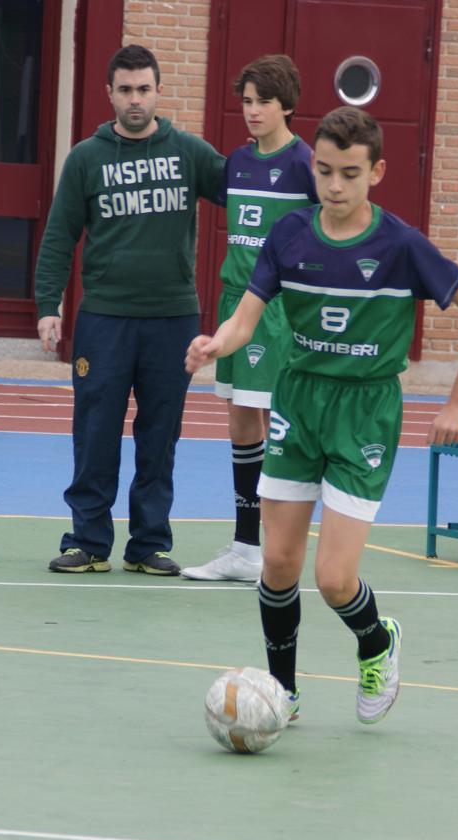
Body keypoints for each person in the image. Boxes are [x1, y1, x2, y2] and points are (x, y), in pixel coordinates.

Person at [185, 107, 458, 723]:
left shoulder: (400, 245)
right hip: (298, 399)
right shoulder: (290, 236)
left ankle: (377, 642)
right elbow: (246, 317)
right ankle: (285, 692)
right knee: (276, 562)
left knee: (332, 578)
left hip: (365, 412)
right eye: (324, 171)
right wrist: (217, 343)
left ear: (376, 172)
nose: (334, 186)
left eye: (349, 174)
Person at [35, 44, 225, 576]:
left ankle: (149, 545)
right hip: (105, 319)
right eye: (125, 90)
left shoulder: (189, 152)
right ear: (110, 94)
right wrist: (49, 304)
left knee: (160, 435)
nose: (135, 99)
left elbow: (245, 190)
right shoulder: (86, 158)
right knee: (95, 430)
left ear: (159, 91)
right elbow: (57, 238)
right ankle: (88, 542)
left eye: (144, 89)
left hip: (173, 319)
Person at [181, 54, 317, 583]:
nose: (252, 110)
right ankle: (244, 546)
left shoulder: (306, 162)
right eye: (246, 101)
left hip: (276, 308)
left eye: (262, 101)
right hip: (233, 300)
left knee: (268, 419)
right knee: (239, 418)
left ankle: (270, 546)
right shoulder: (236, 163)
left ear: (286, 104)